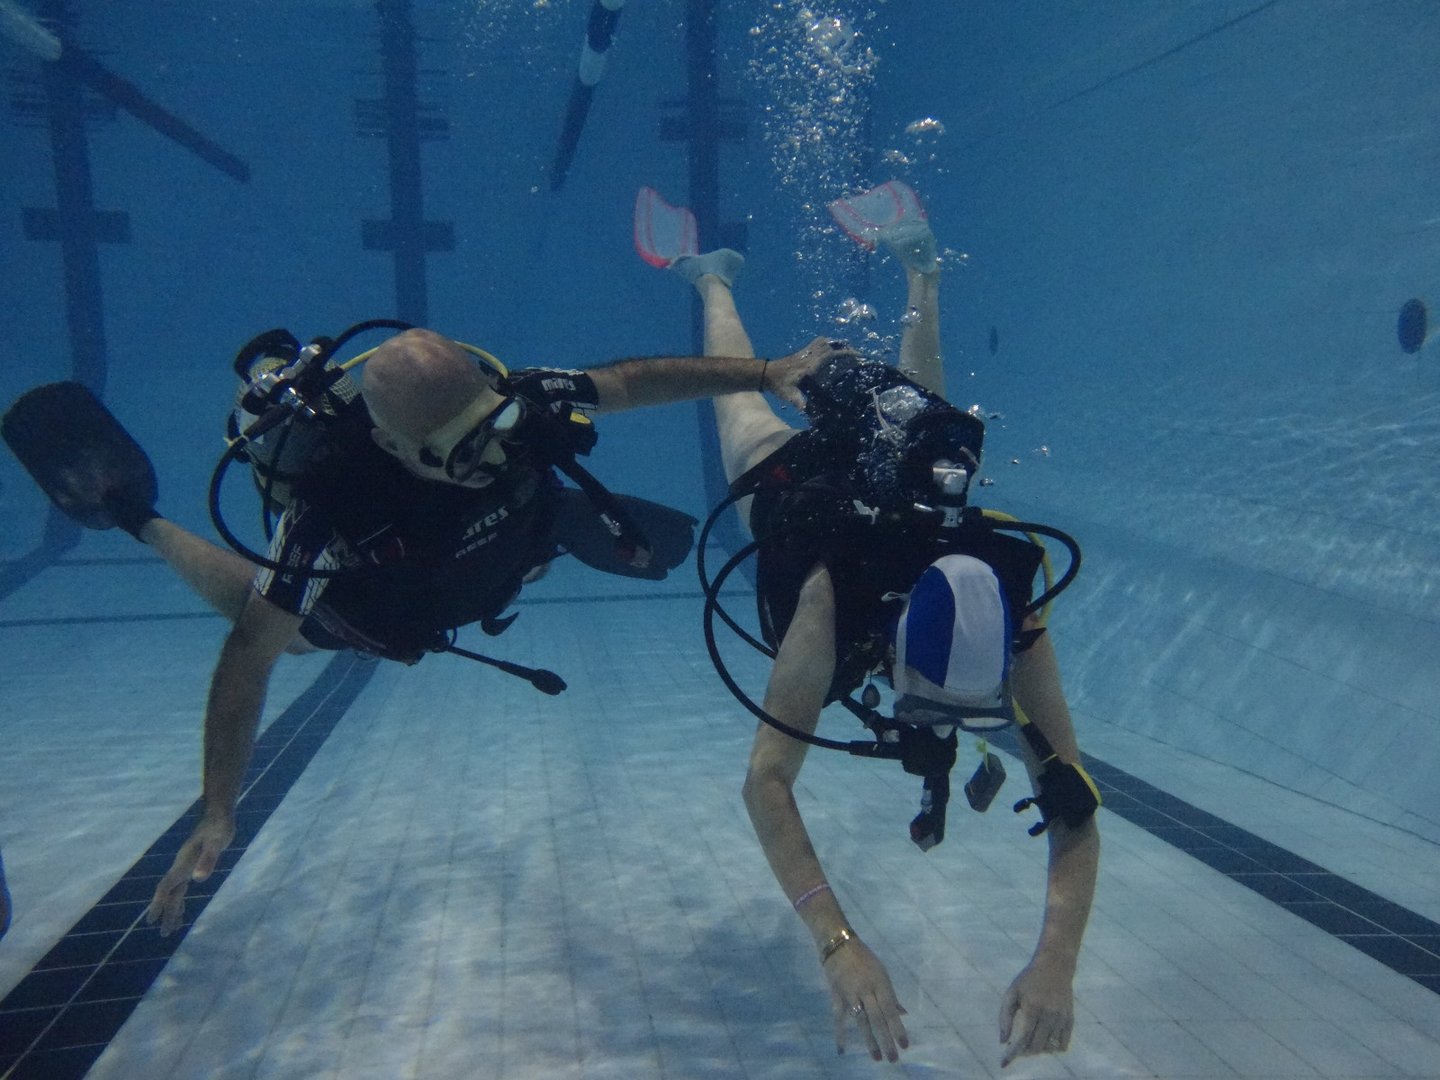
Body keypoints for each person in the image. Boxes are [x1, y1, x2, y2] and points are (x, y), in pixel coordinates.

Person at [2, 325, 852, 936]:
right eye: (463, 451)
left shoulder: (516, 403)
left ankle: (543, 530)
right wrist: (220, 808)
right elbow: (247, 659)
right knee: (288, 630)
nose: (494, 454)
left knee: (534, 491)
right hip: (390, 599)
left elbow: (631, 381)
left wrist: (766, 371)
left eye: (498, 429)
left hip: (505, 545)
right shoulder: (330, 512)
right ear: (399, 448)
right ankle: (137, 517)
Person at [644, 182, 1100, 1066]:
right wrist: (838, 943)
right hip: (806, 503)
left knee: (929, 428)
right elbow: (765, 783)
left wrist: (1058, 962)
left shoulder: (1016, 601)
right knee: (742, 413)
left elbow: (1072, 797)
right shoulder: (826, 606)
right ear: (889, 647)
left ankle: (920, 271)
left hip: (911, 500)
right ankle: (711, 278)